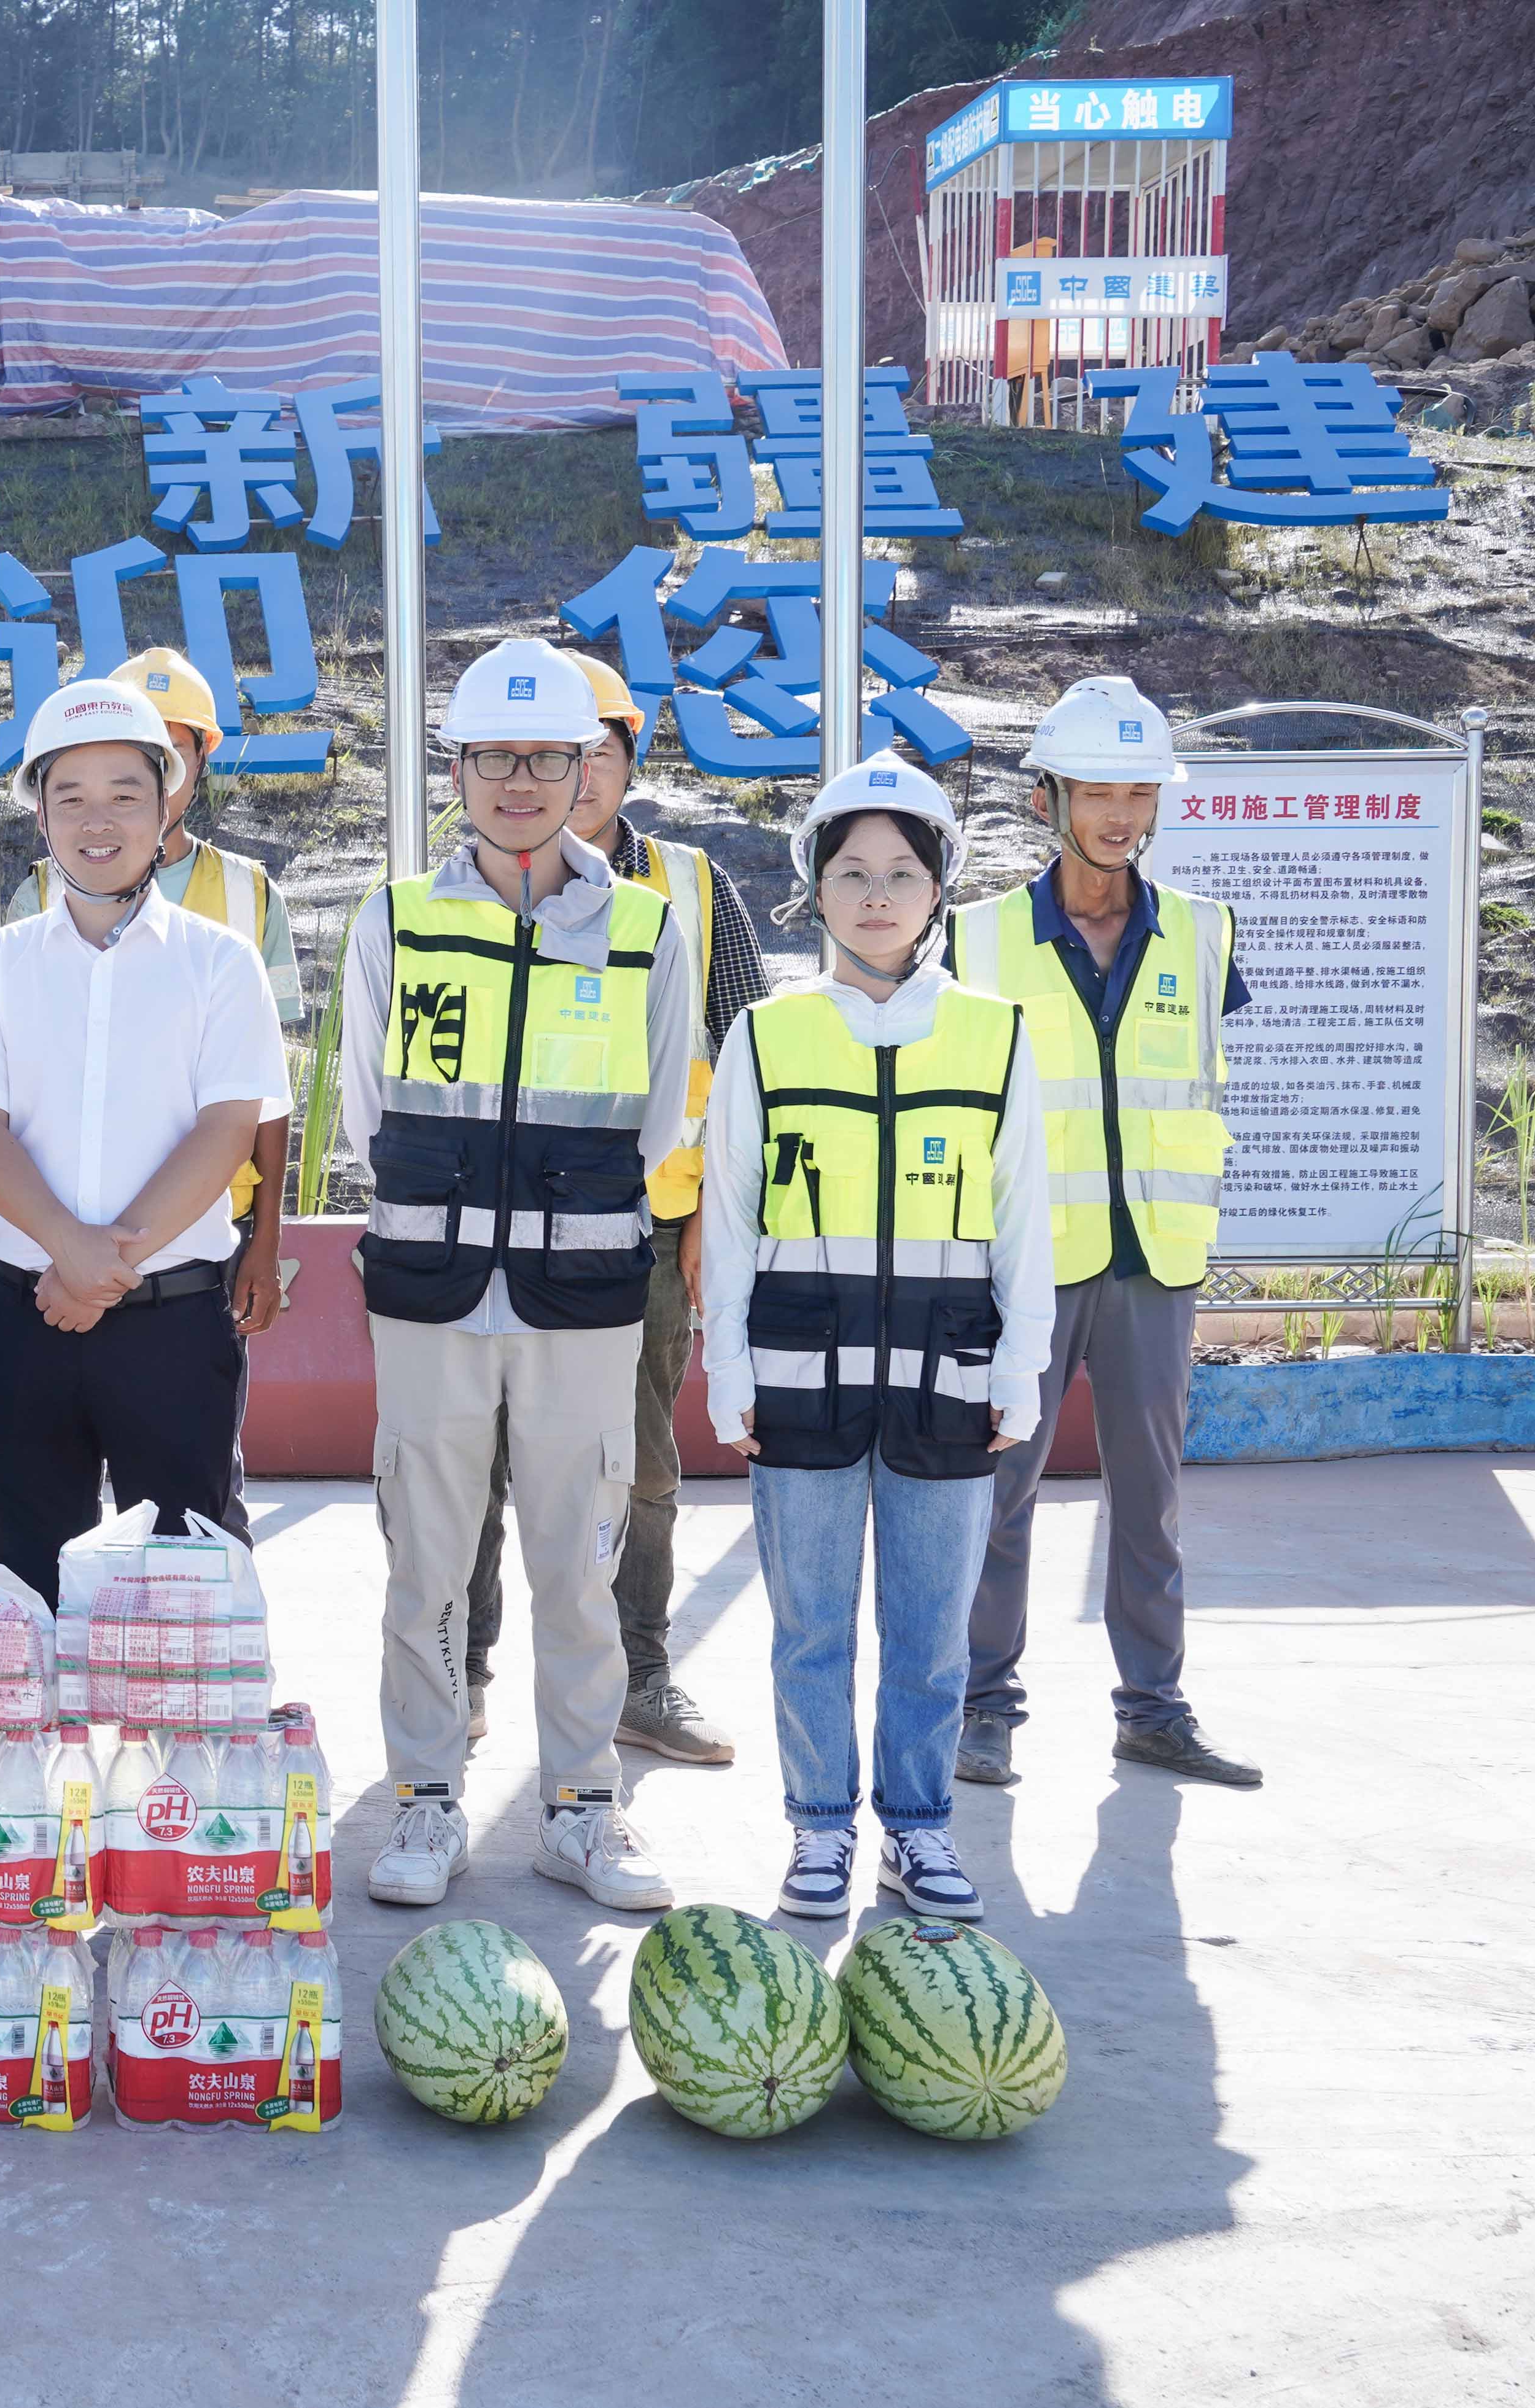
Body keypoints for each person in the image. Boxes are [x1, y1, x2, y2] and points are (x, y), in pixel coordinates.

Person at [341, 639, 699, 1914]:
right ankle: (427, 1798)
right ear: (458, 768)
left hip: (586, 1290)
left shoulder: (650, 928)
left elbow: (663, 1118)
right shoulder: (395, 917)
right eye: (494, 757)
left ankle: (582, 1806)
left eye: (546, 757)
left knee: (576, 1560)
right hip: (431, 1287)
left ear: (584, 768)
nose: (520, 781)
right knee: (427, 1558)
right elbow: (362, 1105)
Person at [702, 756, 1050, 1923]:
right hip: (799, 1379)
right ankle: (816, 1831)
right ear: (815, 886)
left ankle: (918, 1829)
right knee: (809, 1630)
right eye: (851, 872)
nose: (877, 895)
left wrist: (1020, 1368)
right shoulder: (768, 1036)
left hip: (948, 1382)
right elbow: (732, 1215)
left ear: (940, 886)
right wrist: (728, 1369)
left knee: (931, 1634)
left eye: (903, 872)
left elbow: (1021, 1222)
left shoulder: (993, 1037)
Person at [949, 677, 1263, 1791]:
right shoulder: (975, 944)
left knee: (1153, 1497)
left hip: (1158, 1260)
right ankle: (979, 1706)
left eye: (1140, 791)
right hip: (1025, 1263)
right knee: (998, 1488)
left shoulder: (1202, 933)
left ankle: (1155, 1709)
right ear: (1049, 799)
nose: (1122, 814)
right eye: (1099, 792)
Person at [460, 648, 772, 1766]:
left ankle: (641, 1673)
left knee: (640, 1464)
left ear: (624, 762)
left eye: (591, 752)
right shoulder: (469, 887)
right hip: (489, 1234)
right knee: (479, 1459)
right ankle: (468, 1673)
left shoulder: (691, 886)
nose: (567, 773)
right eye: (540, 751)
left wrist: (713, 1229)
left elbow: (748, 1067)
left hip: (643, 1236)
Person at [0, 682, 288, 1601]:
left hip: (174, 1328)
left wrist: (104, 1267)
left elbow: (226, 1131)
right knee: (27, 1584)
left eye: (126, 794)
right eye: (72, 797)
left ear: (167, 802)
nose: (99, 821)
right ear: (41, 817)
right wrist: (71, 1251)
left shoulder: (221, 962)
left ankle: (178, 1751)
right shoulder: (1, 963)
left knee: (183, 1591)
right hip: (27, 1320)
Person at [4, 647, 301, 1350]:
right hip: (56, 1242)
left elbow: (271, 1092)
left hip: (203, 1238)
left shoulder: (249, 895)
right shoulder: (37, 895)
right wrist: (68, 1249)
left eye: (172, 749)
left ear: (192, 765)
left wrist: (266, 1237)